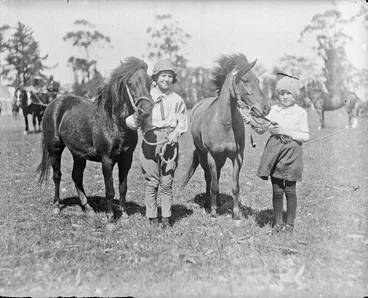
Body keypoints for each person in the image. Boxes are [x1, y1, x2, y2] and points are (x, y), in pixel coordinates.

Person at [126, 59, 188, 229]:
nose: (166, 79)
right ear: (155, 77)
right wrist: (137, 117)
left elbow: (182, 121)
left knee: (167, 182)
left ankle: (167, 217)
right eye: (163, 76)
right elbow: (131, 122)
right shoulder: (146, 96)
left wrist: (176, 133)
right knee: (152, 182)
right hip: (150, 140)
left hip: (170, 141)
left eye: (169, 76)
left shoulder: (177, 100)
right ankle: (152, 217)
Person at [244, 76, 310, 234]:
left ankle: (290, 224)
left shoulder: (300, 113)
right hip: (274, 153)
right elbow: (262, 127)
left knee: (290, 190)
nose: (285, 97)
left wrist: (285, 131)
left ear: (295, 96)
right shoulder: (273, 110)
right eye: (282, 93)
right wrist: (251, 121)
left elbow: (305, 136)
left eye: (289, 93)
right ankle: (278, 223)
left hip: (292, 153)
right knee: (277, 190)